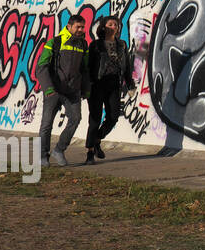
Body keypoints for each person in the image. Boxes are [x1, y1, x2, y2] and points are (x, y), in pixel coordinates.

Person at [38, 14, 91, 167]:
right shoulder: (55, 42)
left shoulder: (83, 45)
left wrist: (86, 89)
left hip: (72, 91)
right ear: (69, 26)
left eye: (83, 27)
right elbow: (41, 67)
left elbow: (85, 69)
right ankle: (43, 156)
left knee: (75, 119)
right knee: (46, 124)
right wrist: (48, 89)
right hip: (53, 91)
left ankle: (59, 150)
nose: (81, 30)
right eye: (78, 27)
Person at [85, 15, 135, 164]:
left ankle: (97, 139)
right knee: (95, 118)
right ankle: (90, 152)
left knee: (113, 116)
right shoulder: (95, 45)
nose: (114, 26)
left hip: (114, 84)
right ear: (103, 27)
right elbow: (89, 67)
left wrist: (130, 84)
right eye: (111, 24)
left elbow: (127, 67)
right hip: (97, 84)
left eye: (116, 24)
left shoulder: (122, 45)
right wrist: (86, 86)